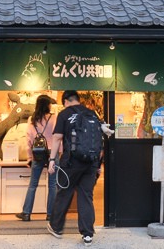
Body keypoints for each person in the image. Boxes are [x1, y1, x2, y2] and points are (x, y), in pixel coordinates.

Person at [46, 90, 102, 246]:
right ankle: (87, 234)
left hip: (71, 162)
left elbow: (57, 138)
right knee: (86, 196)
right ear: (78, 100)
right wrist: (98, 164)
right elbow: (98, 139)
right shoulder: (92, 113)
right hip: (90, 162)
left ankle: (56, 227)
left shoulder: (64, 114)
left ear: (65, 101)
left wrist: (52, 159)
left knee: (64, 192)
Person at [15, 94, 58, 221]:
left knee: (33, 184)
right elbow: (57, 137)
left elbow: (28, 139)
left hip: (37, 152)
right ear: (48, 105)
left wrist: (29, 157)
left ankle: (27, 213)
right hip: (52, 153)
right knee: (53, 184)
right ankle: (50, 214)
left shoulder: (32, 119)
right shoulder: (54, 118)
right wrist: (59, 152)